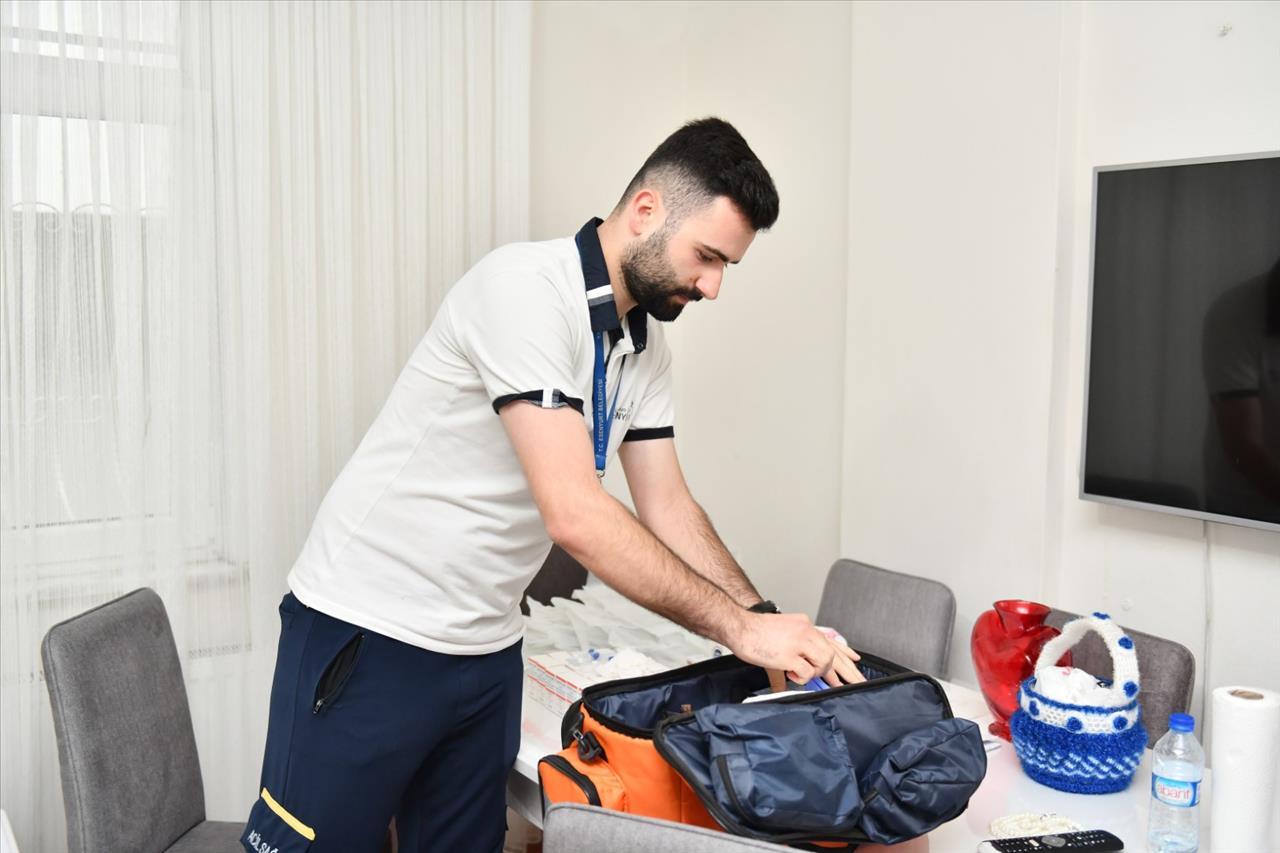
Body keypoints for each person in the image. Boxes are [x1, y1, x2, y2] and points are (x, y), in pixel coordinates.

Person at [240, 117, 864, 853]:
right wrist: (741, 631)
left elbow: (668, 505)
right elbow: (573, 513)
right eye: (707, 256)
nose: (714, 286)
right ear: (646, 210)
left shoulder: (646, 348)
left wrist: (763, 624)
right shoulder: (524, 290)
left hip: (486, 649)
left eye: (727, 265)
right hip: (372, 630)